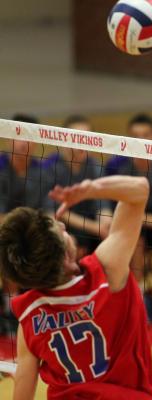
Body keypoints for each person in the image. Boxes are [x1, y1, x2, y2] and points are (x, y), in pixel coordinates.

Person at [0, 175, 152, 399]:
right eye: (61, 232)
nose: (64, 224)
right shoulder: (106, 271)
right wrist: (92, 189)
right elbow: (140, 189)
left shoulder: (29, 317)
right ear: (66, 258)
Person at [104, 114, 152, 314]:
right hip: (136, 230)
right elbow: (120, 216)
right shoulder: (122, 171)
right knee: (135, 237)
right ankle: (138, 297)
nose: (141, 141)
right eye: (135, 137)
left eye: (146, 135)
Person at [0, 114, 51, 336]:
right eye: (17, 136)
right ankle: (10, 308)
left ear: (36, 141)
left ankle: (42, 306)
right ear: (9, 138)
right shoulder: (1, 169)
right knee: (9, 243)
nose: (22, 142)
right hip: (7, 233)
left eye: (27, 137)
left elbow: (48, 212)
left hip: (31, 232)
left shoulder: (43, 173)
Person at [43, 115, 104, 259]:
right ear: (66, 140)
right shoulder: (50, 167)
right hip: (65, 229)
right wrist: (96, 228)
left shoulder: (96, 167)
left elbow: (103, 205)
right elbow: (55, 212)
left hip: (92, 233)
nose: (82, 143)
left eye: (86, 138)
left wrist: (106, 222)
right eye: (77, 138)